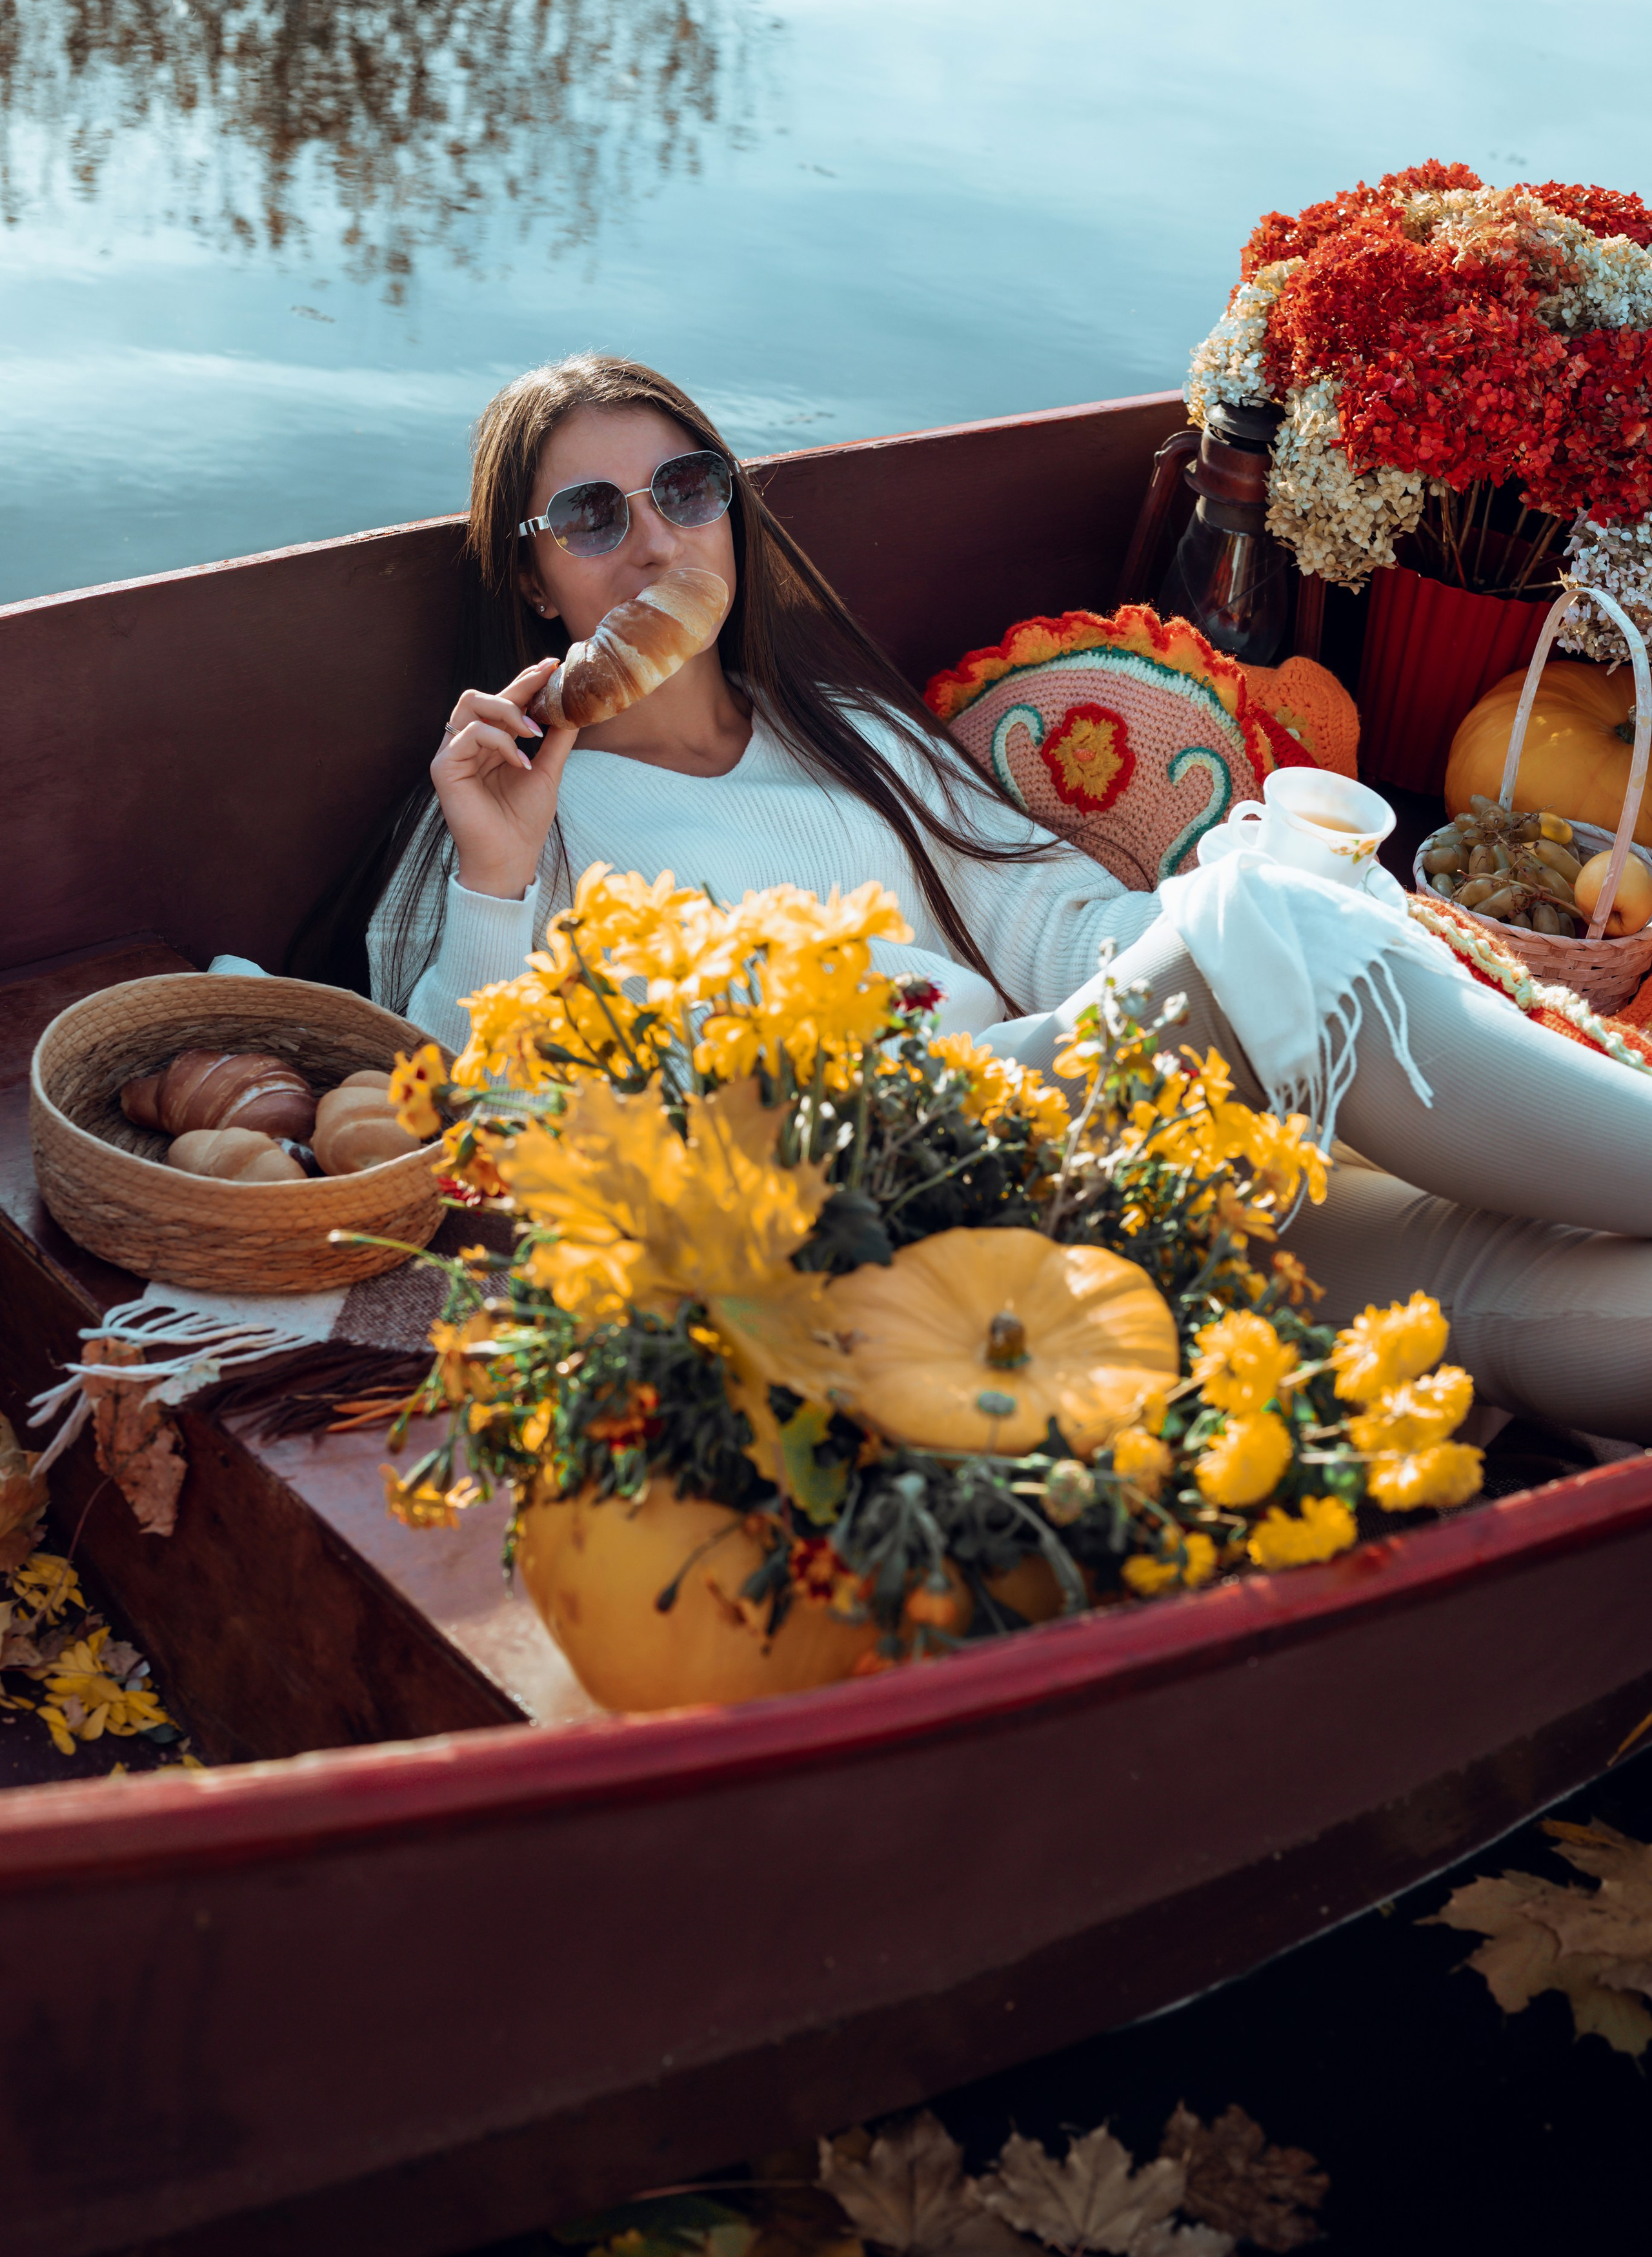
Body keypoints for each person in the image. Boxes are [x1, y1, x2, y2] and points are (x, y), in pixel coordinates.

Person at [298, 353, 1652, 1444]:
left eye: (686, 486)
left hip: (1073, 1166)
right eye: (592, 515)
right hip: (855, 1207)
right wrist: (492, 867)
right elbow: (464, 1130)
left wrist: (1210, 937)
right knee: (1274, 926)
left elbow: (1061, 927)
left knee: (1483, 1285)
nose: (654, 539)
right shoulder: (500, 803)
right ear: (531, 576)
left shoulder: (843, 737)